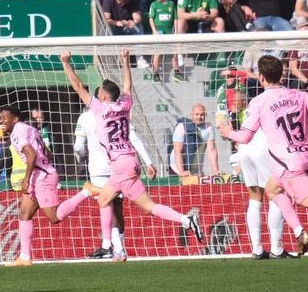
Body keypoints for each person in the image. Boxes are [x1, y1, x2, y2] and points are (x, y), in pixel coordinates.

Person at [62, 49, 204, 262]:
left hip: (120, 165)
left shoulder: (99, 110)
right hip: (129, 161)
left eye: (99, 91)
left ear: (102, 96)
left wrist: (65, 63)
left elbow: (79, 87)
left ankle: (113, 246)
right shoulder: (124, 105)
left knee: (137, 205)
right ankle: (117, 249)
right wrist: (125, 61)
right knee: (107, 200)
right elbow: (128, 87)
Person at [219, 53, 308, 251]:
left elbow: (244, 138)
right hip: (304, 156)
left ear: (261, 77)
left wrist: (228, 132)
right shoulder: (298, 94)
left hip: (288, 163)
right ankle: (298, 231)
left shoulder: (259, 102)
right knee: (272, 190)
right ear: (282, 75)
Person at [1, 106, 93, 266]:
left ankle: (86, 191)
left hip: (41, 176)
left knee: (54, 217)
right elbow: (47, 153)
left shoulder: (17, 132)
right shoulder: (30, 129)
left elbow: (31, 155)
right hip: (42, 173)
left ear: (15, 119)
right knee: (25, 213)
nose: (1, 121)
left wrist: (26, 179)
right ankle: (24, 257)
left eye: (4, 117)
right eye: (0, 117)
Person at [73, 85, 157, 258]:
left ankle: (109, 247)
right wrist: (148, 161)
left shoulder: (85, 117)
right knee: (118, 209)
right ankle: (118, 247)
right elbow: (133, 137)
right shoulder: (119, 113)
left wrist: (83, 157)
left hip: (98, 168)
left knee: (105, 206)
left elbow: (78, 147)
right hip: (120, 164)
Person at [232, 93, 291, 259]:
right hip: (263, 145)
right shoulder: (283, 99)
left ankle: (257, 249)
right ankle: (276, 249)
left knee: (254, 197)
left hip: (245, 147)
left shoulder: (255, 102)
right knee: (276, 194)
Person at [170, 104, 221, 177]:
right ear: (191, 115)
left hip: (196, 168)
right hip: (177, 167)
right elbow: (177, 151)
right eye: (196, 114)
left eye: (202, 115)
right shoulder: (181, 127)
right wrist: (181, 172)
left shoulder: (209, 127)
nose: (199, 117)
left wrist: (216, 171)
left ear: (206, 115)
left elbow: (212, 150)